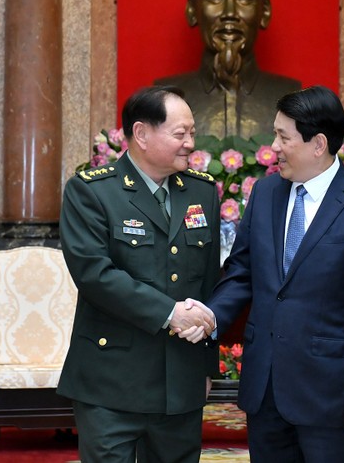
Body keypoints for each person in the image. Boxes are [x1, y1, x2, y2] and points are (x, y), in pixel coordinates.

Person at [180, 85, 344, 462]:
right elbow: (242, 272)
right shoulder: (266, 194)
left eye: (283, 137)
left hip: (333, 393)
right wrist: (212, 315)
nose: (275, 146)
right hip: (265, 388)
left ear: (318, 144)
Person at [57, 85, 220, 463]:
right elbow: (96, 275)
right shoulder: (92, 192)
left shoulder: (201, 192)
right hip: (111, 382)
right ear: (142, 134)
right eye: (180, 134)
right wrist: (171, 314)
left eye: (192, 132)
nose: (190, 143)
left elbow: (208, 281)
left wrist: (206, 365)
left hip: (181, 381)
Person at [154, 0, 301, 139]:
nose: (229, 13)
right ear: (191, 9)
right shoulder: (163, 97)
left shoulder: (291, 95)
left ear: (264, 11)